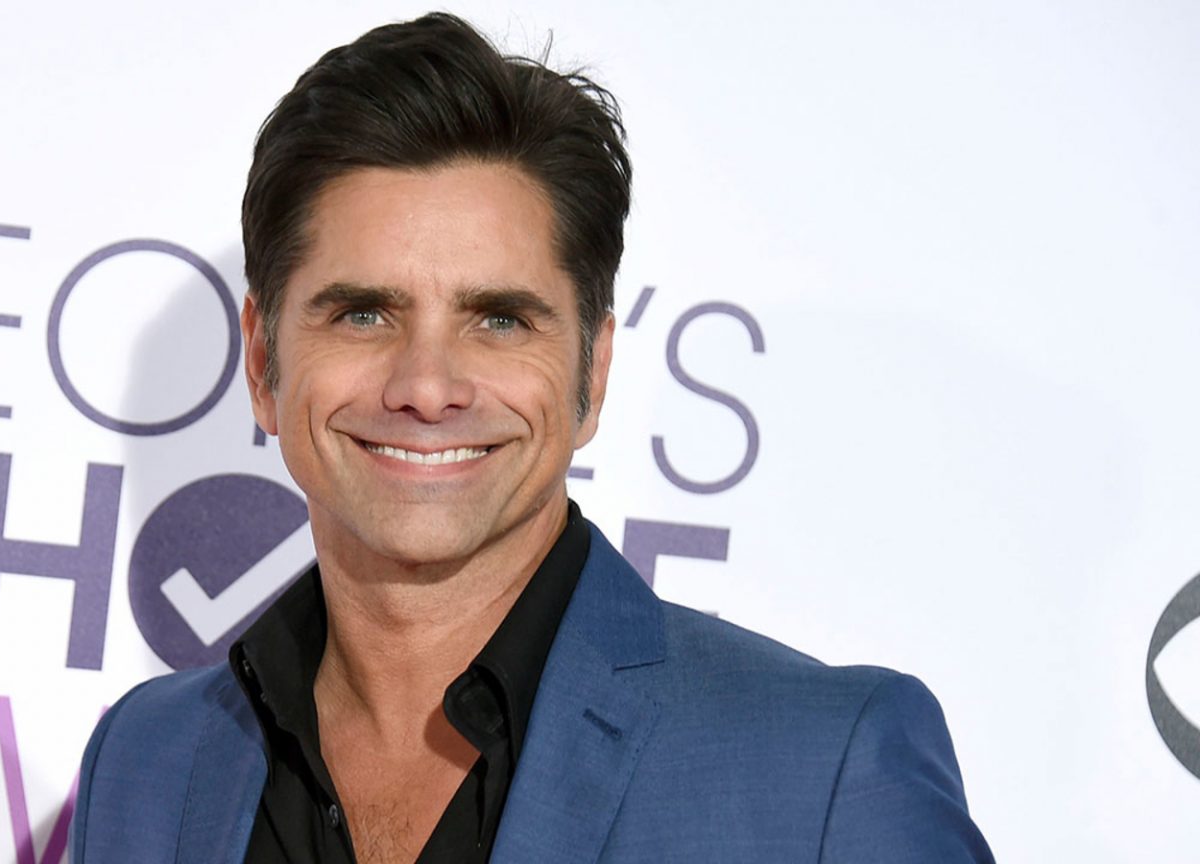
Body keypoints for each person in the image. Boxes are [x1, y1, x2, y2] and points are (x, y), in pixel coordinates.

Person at [71, 12, 994, 863]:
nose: (426, 388)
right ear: (263, 362)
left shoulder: (822, 770)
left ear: (592, 375)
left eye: (500, 320)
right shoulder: (146, 763)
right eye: (362, 314)